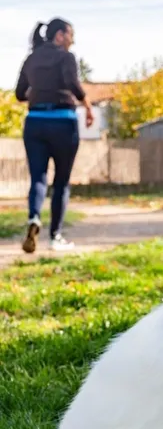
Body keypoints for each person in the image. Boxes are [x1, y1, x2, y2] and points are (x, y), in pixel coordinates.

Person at [15, 18, 94, 253]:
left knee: (38, 178)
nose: (72, 40)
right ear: (59, 35)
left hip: (35, 123)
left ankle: (34, 218)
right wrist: (88, 106)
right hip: (63, 123)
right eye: (70, 34)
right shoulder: (66, 57)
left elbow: (20, 94)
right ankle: (55, 237)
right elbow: (72, 83)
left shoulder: (31, 58)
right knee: (61, 182)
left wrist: (41, 93)